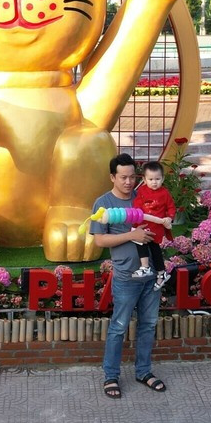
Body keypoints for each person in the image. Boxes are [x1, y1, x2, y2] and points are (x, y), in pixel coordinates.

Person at [91, 153, 166, 399]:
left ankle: (143, 371)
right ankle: (111, 375)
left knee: (148, 325)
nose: (128, 182)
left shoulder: (144, 196)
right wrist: (130, 236)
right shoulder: (104, 203)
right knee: (119, 327)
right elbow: (100, 239)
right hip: (125, 276)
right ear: (112, 176)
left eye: (133, 177)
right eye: (123, 177)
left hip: (151, 275)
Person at [133, 161, 175, 290]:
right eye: (151, 179)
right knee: (142, 242)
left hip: (156, 225)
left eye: (157, 179)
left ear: (162, 178)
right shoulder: (142, 190)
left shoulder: (164, 193)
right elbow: (137, 204)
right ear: (144, 179)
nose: (154, 182)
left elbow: (171, 207)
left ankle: (150, 269)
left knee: (151, 246)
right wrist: (137, 213)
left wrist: (169, 218)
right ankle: (157, 271)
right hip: (144, 223)